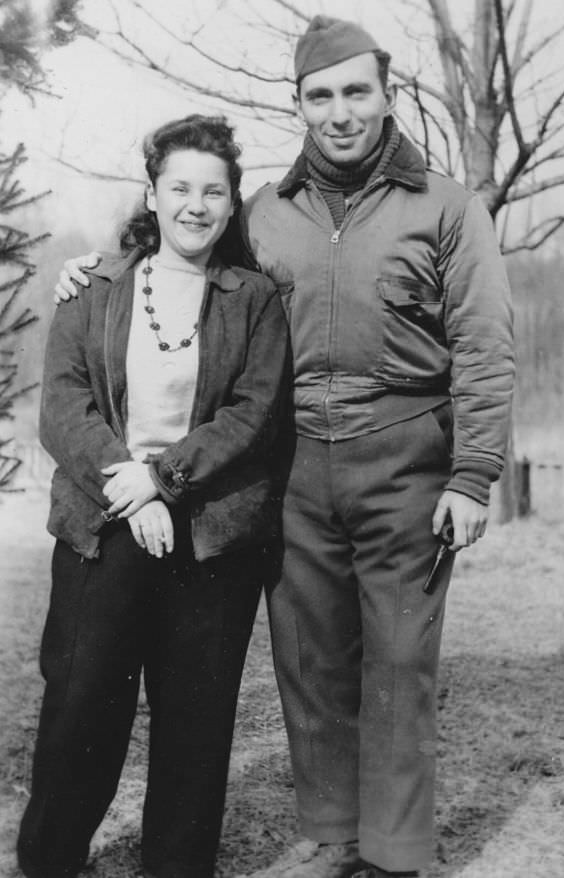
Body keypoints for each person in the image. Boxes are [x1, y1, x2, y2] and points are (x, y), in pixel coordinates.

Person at [53, 15, 515, 878]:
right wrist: (99, 268)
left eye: (356, 93)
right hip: (294, 463)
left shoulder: (449, 207)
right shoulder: (265, 211)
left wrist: (474, 473)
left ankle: (396, 850)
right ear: (299, 105)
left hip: (406, 455)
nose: (339, 113)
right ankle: (332, 832)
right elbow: (180, 249)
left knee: (401, 660)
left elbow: (486, 347)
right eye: (319, 97)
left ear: (387, 94)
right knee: (308, 658)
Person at [18, 114, 289, 878]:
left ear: (233, 204)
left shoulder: (255, 299)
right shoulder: (94, 286)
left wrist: (166, 480)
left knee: (195, 733)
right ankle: (49, 864)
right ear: (153, 193)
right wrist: (132, 490)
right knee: (79, 716)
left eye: (214, 191)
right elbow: (63, 406)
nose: (195, 205)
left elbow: (255, 411)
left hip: (210, 542)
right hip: (102, 533)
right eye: (180, 188)